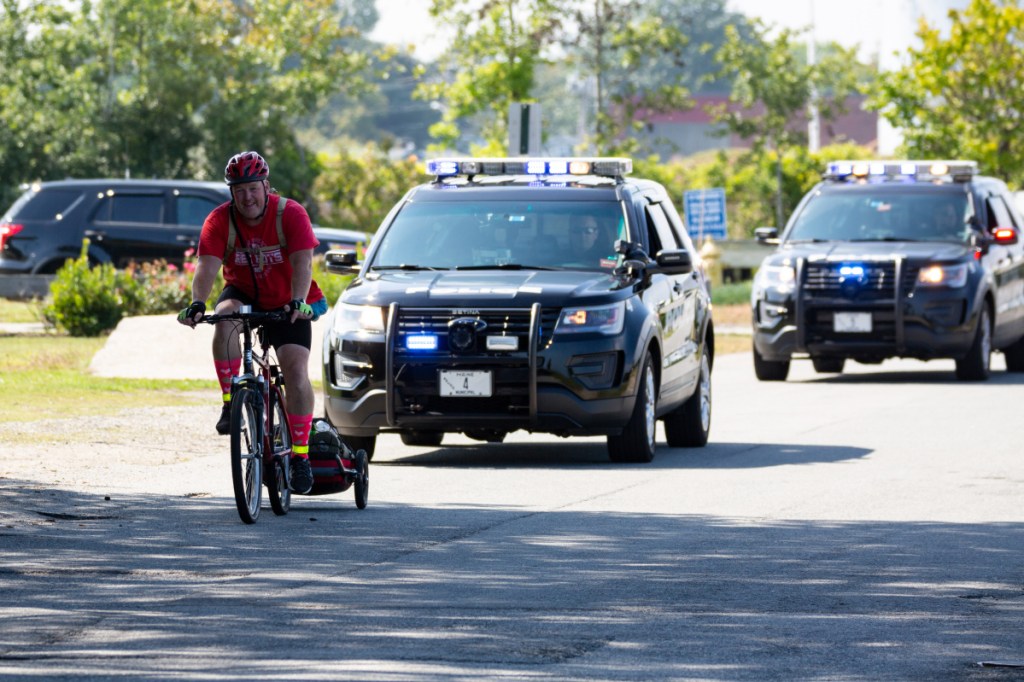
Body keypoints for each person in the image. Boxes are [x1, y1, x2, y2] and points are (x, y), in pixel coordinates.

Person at [177, 151, 327, 494]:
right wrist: (198, 303)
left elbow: (304, 263)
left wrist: (299, 302)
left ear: (266, 187)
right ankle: (231, 401)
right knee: (225, 316)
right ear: (231, 192)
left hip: (289, 300)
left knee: (295, 370)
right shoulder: (220, 220)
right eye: (238, 189)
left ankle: (301, 455)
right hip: (244, 292)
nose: (246, 197)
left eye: (253, 188)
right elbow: (206, 267)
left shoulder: (290, 213)